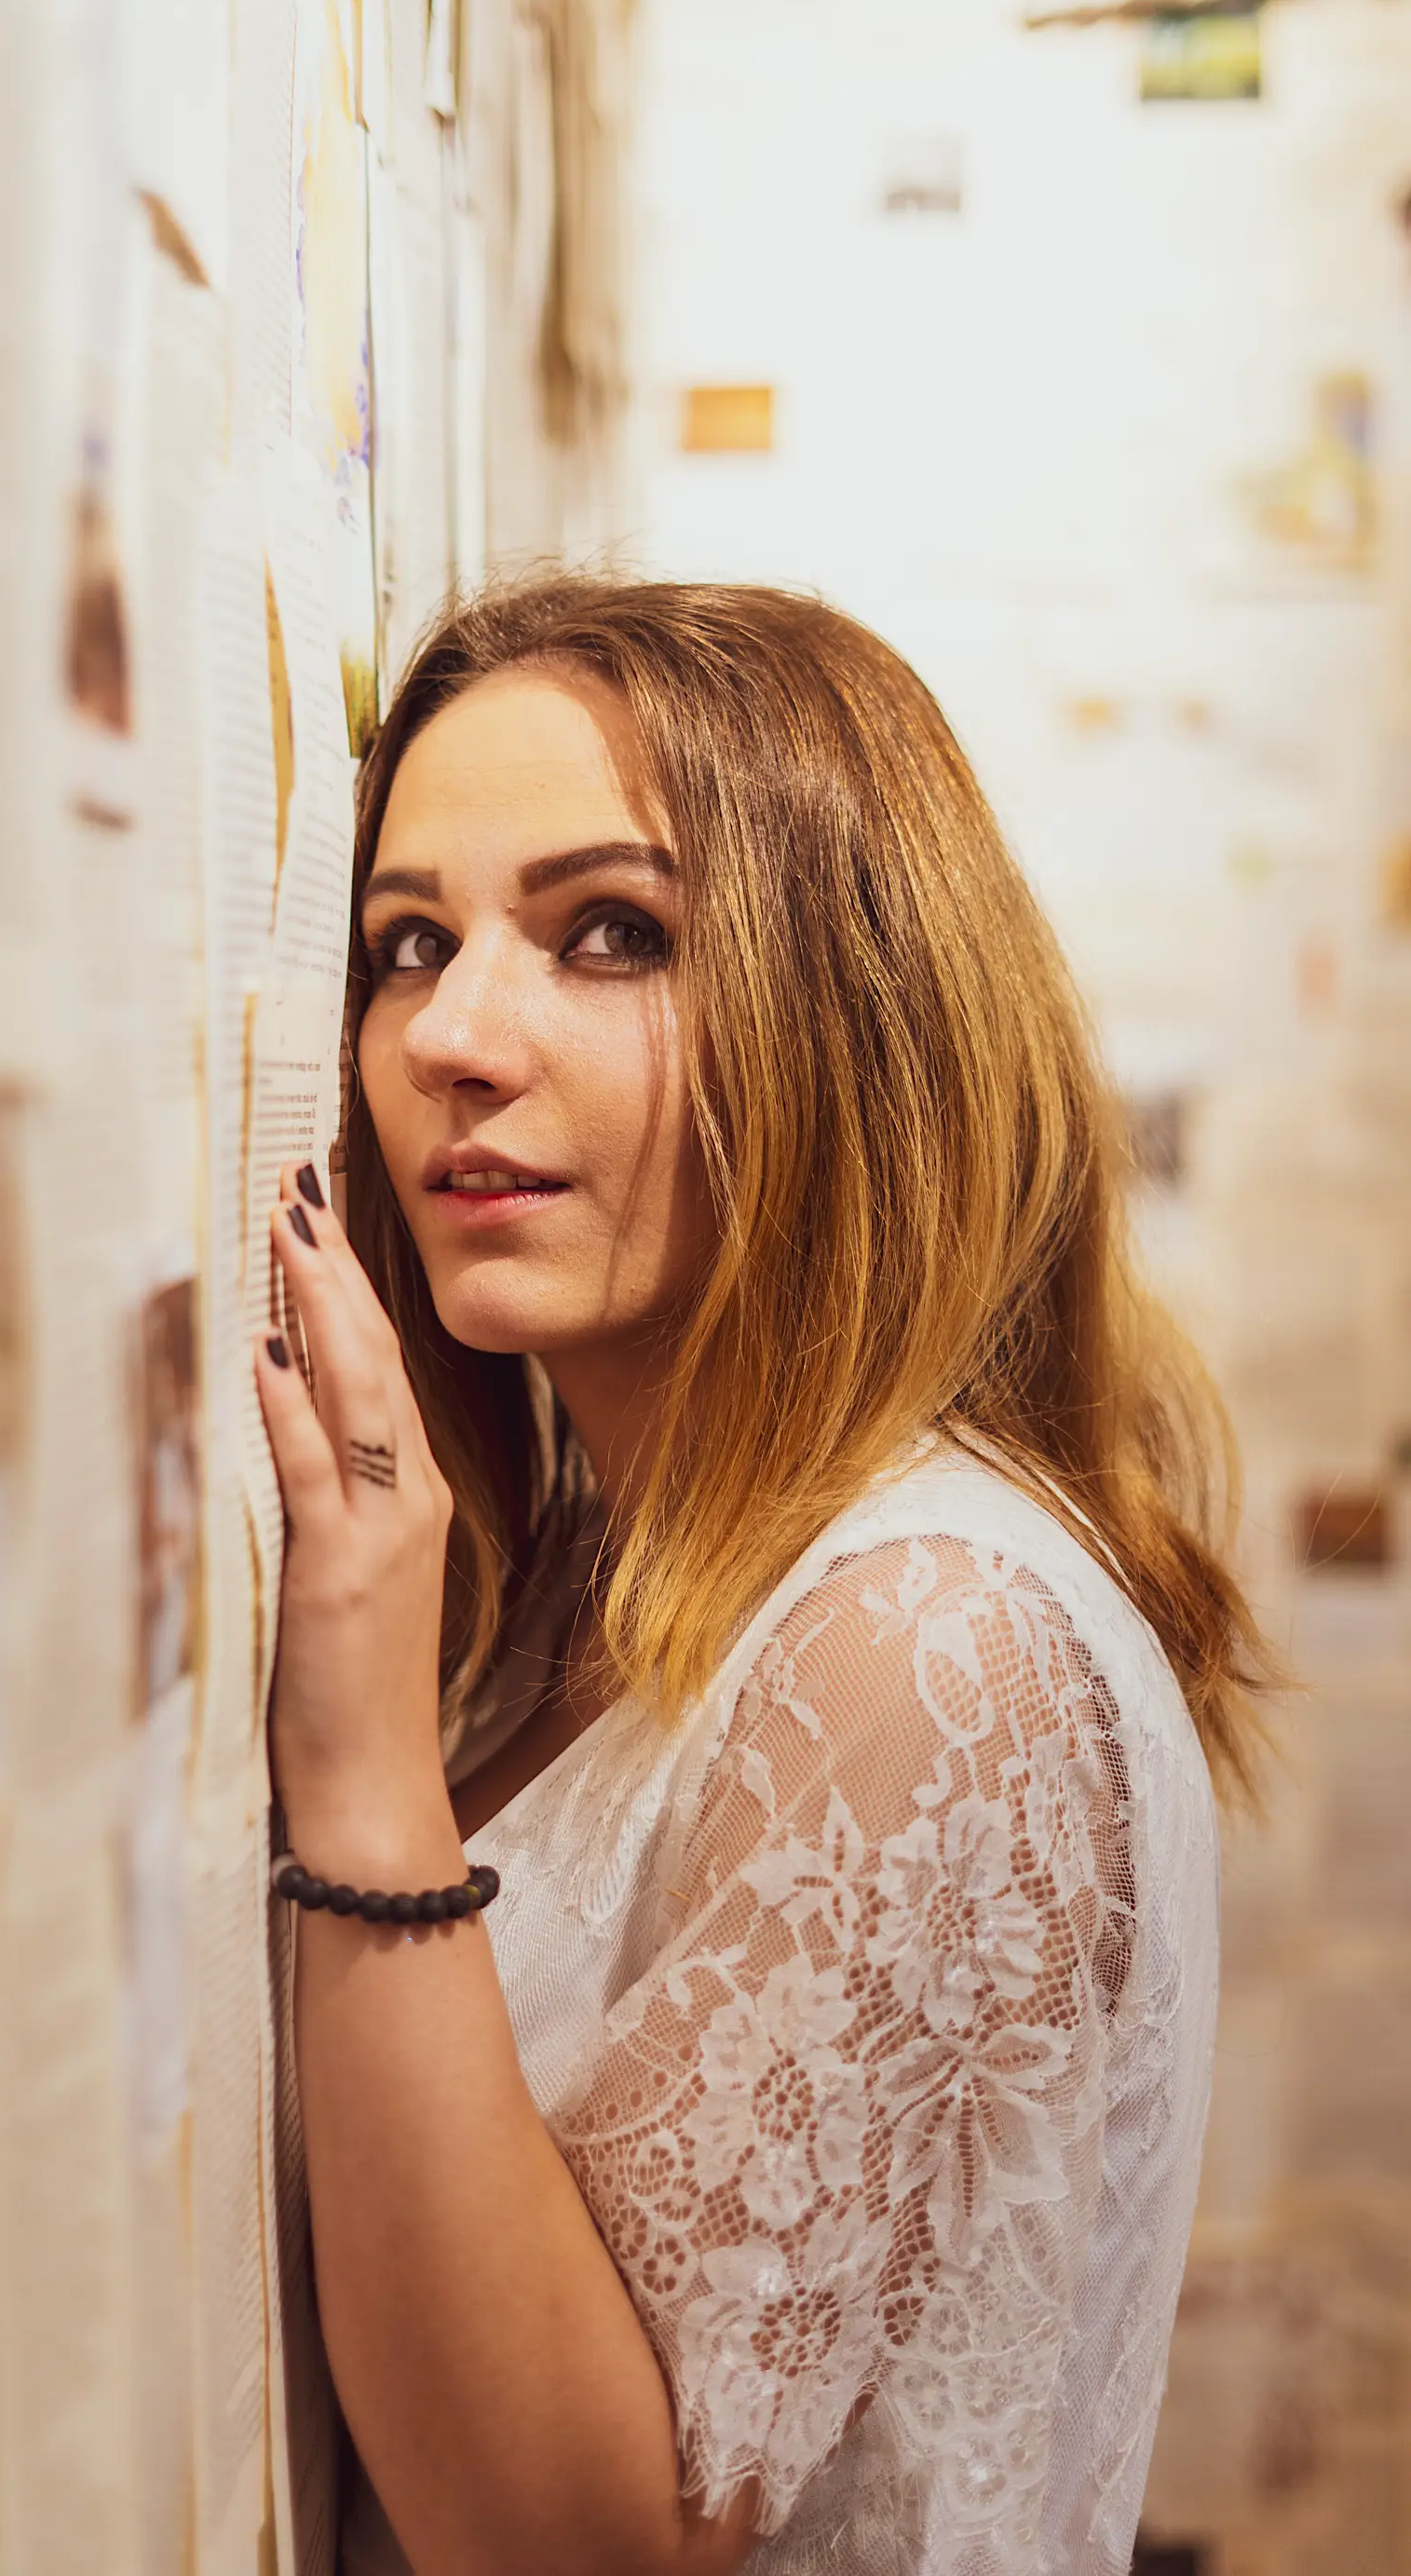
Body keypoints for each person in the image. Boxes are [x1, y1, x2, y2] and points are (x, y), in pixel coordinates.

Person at [253, 577, 1279, 2576]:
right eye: (406, 946)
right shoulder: (613, 1575)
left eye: (607, 932)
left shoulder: (924, 1636)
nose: (453, 1038)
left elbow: (574, 2537)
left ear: (854, 1006)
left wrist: (366, 1760)